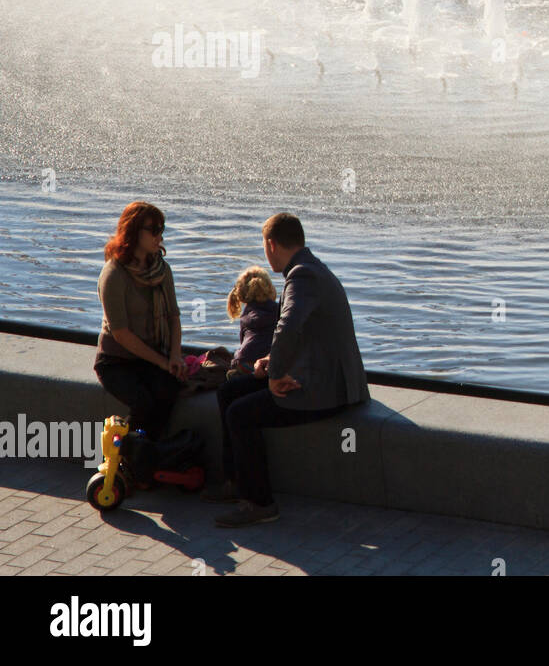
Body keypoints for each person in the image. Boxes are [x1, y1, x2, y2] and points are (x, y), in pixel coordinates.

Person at [206, 212, 369, 527]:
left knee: (240, 414)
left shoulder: (302, 276)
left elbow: (289, 326)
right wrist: (270, 360)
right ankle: (235, 483)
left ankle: (260, 503)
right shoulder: (311, 269)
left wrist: (277, 373)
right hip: (319, 375)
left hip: (325, 390)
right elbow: (304, 335)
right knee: (229, 390)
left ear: (271, 244)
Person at [94, 202, 188, 442]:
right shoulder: (114, 274)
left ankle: (149, 453)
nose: (160, 236)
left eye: (162, 230)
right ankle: (127, 456)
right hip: (116, 362)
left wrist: (175, 356)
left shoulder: (161, 270)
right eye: (153, 230)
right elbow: (121, 333)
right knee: (143, 401)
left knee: (169, 391)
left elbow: (173, 317)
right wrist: (162, 362)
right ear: (134, 231)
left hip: (151, 358)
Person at [226, 266, 280, 378]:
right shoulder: (280, 310)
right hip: (267, 363)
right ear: (270, 289)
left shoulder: (246, 315)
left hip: (243, 362)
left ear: (240, 294)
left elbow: (244, 342)